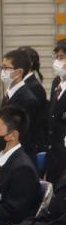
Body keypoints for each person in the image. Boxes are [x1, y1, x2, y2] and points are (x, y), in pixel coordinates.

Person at [0, 49, 39, 165]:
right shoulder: (8, 94)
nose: (3, 72)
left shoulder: (26, 99)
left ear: (19, 72)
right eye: (2, 68)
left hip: (20, 160)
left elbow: (24, 136)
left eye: (6, 68)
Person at [18, 46, 48, 155]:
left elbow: (34, 121)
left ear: (29, 64)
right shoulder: (23, 84)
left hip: (30, 144)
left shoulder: (34, 87)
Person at [46, 41, 66, 184]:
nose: (57, 62)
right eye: (56, 57)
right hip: (54, 149)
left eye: (61, 57)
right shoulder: (56, 83)